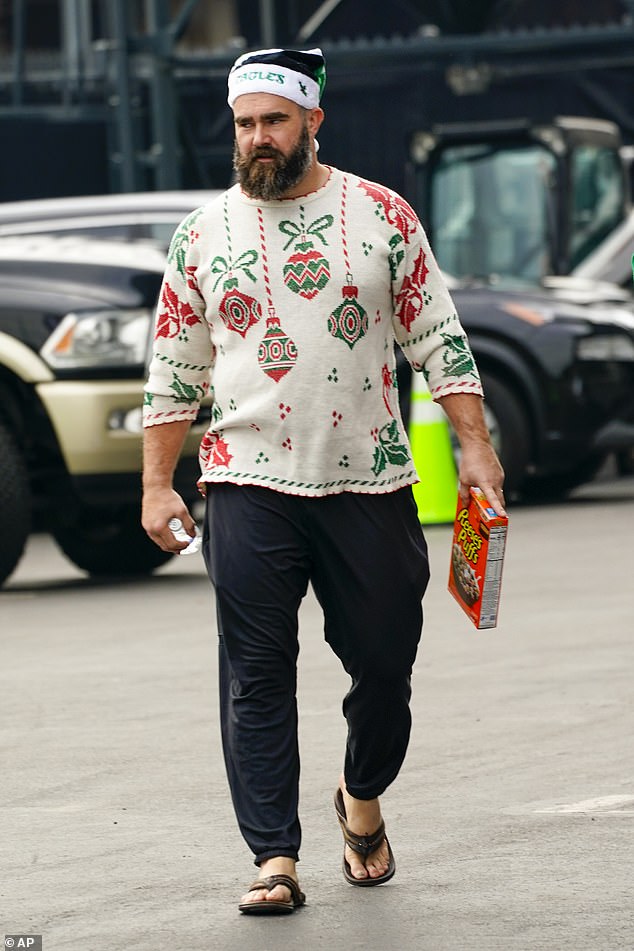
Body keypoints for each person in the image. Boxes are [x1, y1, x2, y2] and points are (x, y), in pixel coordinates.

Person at [141, 46, 505, 915]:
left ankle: (361, 795)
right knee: (256, 672)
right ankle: (274, 855)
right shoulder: (202, 234)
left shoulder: (381, 215)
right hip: (244, 479)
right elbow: (173, 367)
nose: (257, 139)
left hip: (369, 479)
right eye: (244, 124)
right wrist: (160, 483)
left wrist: (476, 450)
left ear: (313, 121)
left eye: (274, 120)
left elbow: (438, 340)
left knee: (384, 661)